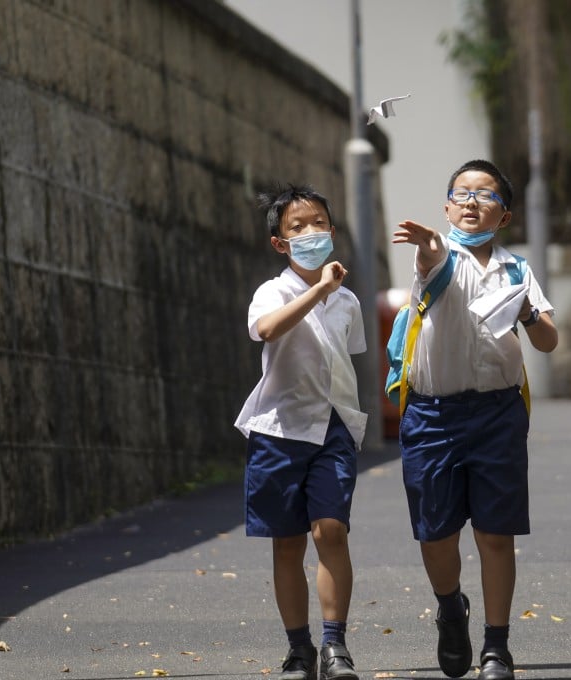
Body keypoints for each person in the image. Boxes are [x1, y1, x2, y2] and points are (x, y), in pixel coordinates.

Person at [391, 159, 558, 680]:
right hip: (432, 414)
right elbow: (432, 261)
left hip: (497, 413)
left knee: (495, 534)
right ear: (446, 207)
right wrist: (427, 245)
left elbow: (548, 340)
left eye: (484, 195)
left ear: (504, 215)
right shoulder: (438, 257)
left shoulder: (517, 270)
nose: (470, 201)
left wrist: (528, 313)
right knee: (435, 534)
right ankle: (449, 608)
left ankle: (497, 647)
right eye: (460, 193)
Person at [234, 185, 367, 680]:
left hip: (333, 426)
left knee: (331, 530)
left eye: (318, 224)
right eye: (297, 227)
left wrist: (331, 292)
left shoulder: (348, 301)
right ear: (279, 243)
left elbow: (345, 359)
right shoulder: (274, 291)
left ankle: (335, 646)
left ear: (332, 233)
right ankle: (299, 649)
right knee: (287, 543)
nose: (310, 233)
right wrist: (318, 291)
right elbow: (268, 330)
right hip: (279, 429)